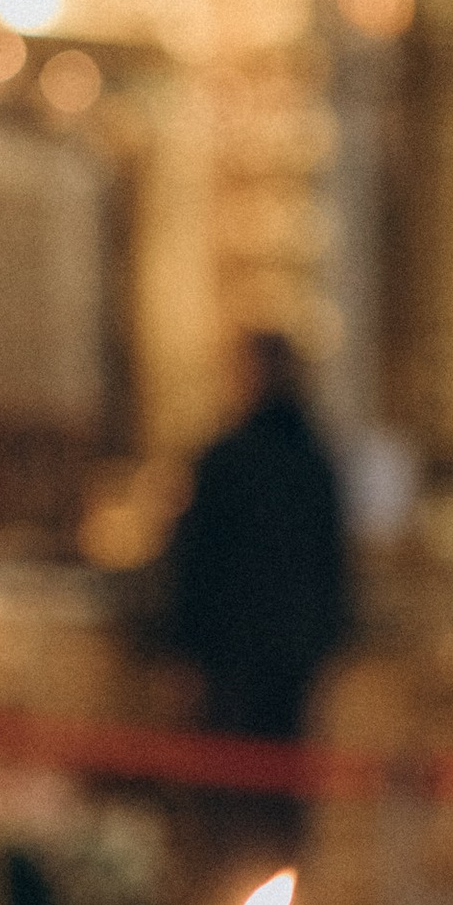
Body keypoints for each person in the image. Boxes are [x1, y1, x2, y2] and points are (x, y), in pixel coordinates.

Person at [165, 333, 353, 828]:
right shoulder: (308, 461)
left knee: (249, 782)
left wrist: (184, 640)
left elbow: (197, 561)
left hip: (240, 650)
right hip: (277, 648)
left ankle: (250, 884)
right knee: (262, 783)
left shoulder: (232, 462)